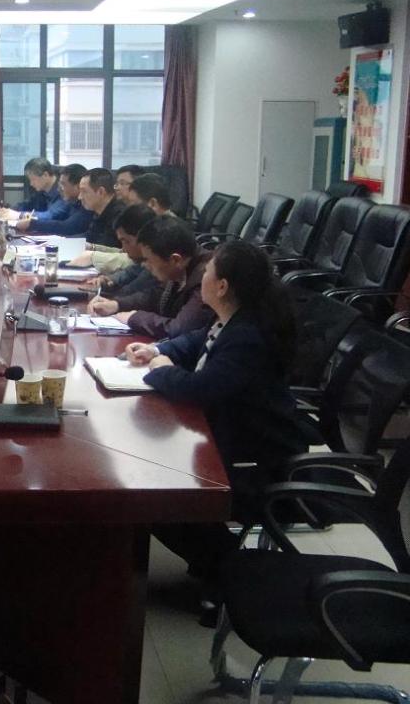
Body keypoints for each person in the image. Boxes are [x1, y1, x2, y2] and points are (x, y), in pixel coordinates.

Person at [125, 241, 309, 603]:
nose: (202, 276)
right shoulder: (232, 318)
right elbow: (197, 342)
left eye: (208, 271)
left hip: (257, 460)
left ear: (222, 286)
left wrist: (160, 370)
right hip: (228, 438)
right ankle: (212, 564)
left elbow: (200, 390)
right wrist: (159, 350)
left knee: (158, 500)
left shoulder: (247, 338)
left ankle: (230, 572)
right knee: (153, 479)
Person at [89, 215, 214, 338]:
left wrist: (135, 317)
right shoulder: (180, 266)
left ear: (175, 260)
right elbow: (154, 296)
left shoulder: (207, 278)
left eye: (148, 260)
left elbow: (178, 329)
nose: (145, 265)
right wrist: (117, 304)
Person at [88, 204, 158, 296]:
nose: (124, 249)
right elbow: (130, 272)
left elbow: (128, 292)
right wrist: (109, 280)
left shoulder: (156, 266)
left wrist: (114, 299)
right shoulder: (142, 262)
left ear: (143, 237)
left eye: (126, 241)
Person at [11, 164, 93, 237]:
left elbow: (67, 227)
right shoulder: (72, 202)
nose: (59, 188)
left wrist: (31, 224)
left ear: (78, 186)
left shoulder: (87, 205)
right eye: (59, 183)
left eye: (63, 184)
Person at [78, 167, 127, 249]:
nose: (80, 197)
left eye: (84, 191)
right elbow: (89, 237)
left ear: (101, 192)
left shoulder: (121, 216)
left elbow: (108, 247)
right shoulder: (99, 211)